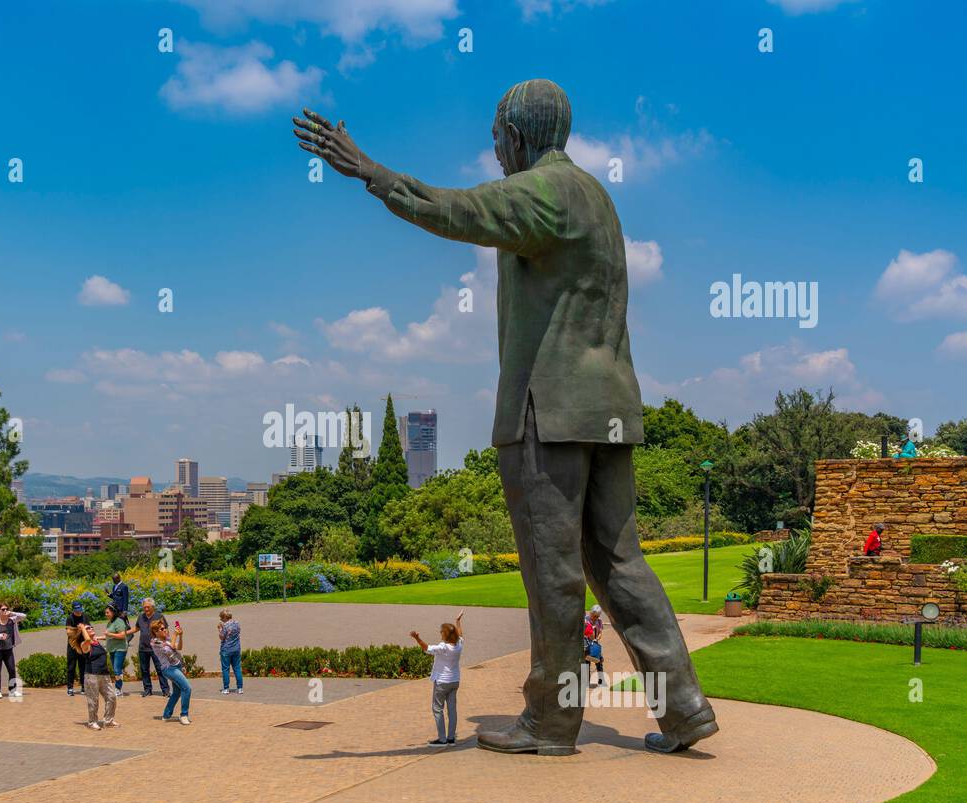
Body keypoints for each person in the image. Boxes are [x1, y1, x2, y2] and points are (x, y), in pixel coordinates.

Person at [292, 81, 718, 756]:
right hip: (608, 408)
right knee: (621, 561)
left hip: (547, 410)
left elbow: (454, 210)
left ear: (517, 134)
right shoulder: (597, 198)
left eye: (496, 135)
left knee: (553, 571)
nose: (494, 150)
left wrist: (370, 171)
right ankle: (684, 705)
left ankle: (550, 721)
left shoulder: (541, 192)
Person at [410, 612, 464, 746]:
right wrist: (457, 621)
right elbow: (461, 634)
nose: (440, 633)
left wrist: (417, 638)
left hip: (442, 682)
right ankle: (451, 738)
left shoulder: (443, 647)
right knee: (452, 710)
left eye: (441, 632)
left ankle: (442, 739)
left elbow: (426, 648)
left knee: (437, 708)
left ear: (445, 634)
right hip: (454, 681)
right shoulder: (459, 644)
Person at [77, 622, 118, 729]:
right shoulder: (84, 644)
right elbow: (87, 640)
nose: (91, 628)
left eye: (91, 627)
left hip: (104, 675)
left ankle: (108, 720)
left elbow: (107, 637)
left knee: (112, 697)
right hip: (92, 675)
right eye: (88, 628)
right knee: (93, 700)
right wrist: (82, 628)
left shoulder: (96, 641)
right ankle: (92, 722)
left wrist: (98, 636)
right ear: (83, 632)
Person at [150, 618, 191, 724]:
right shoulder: (155, 642)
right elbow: (172, 646)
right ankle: (184, 715)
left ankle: (166, 715)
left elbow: (178, 647)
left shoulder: (167, 638)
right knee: (187, 688)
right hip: (168, 669)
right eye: (162, 629)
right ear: (156, 631)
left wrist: (181, 635)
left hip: (177, 666)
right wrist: (175, 635)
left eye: (165, 628)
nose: (165, 630)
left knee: (176, 693)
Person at [0, 602, 27, 699]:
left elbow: (24, 616)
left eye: (6, 609)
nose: (5, 611)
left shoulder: (12, 620)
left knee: (12, 669)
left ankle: (13, 691)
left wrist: (12, 613)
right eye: (3, 609)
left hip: (8, 649)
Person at [134, 598, 170, 698]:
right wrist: (123, 633)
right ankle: (147, 690)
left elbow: (165, 630)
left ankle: (165, 690)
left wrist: (167, 641)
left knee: (160, 669)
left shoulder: (159, 616)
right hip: (143, 647)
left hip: (156, 647)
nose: (146, 609)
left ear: (153, 607)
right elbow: (136, 628)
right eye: (144, 607)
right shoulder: (140, 617)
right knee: (144, 670)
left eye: (148, 607)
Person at [102, 604, 138, 696]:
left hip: (120, 649)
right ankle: (118, 688)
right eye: (105, 613)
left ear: (113, 612)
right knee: (115, 669)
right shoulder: (110, 623)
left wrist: (109, 634)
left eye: (107, 612)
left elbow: (122, 635)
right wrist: (96, 638)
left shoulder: (119, 622)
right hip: (112, 649)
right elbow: (108, 636)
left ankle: (118, 689)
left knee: (117, 669)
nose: (106, 614)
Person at [64, 602, 91, 697]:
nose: (78, 611)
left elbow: (89, 628)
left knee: (83, 666)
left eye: (79, 609)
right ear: (73, 610)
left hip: (82, 644)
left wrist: (83, 629)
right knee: (71, 667)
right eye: (76, 609)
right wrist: (79, 630)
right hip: (72, 645)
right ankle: (70, 688)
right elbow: (69, 633)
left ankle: (84, 687)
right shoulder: (70, 618)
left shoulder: (85, 616)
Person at [218, 609, 243, 694]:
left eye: (221, 618)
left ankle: (226, 688)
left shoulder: (225, 626)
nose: (221, 619)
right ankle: (240, 688)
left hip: (226, 649)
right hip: (236, 648)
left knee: (225, 669)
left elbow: (222, 637)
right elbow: (238, 632)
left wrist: (220, 629)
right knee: (237, 668)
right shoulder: (237, 623)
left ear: (224, 617)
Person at [584, 604, 606, 687]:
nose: (595, 618)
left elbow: (600, 633)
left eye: (597, 616)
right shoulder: (585, 620)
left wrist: (597, 639)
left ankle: (601, 681)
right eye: (594, 616)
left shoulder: (599, 621)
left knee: (599, 662)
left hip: (595, 643)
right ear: (590, 613)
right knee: (586, 663)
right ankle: (586, 682)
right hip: (586, 644)